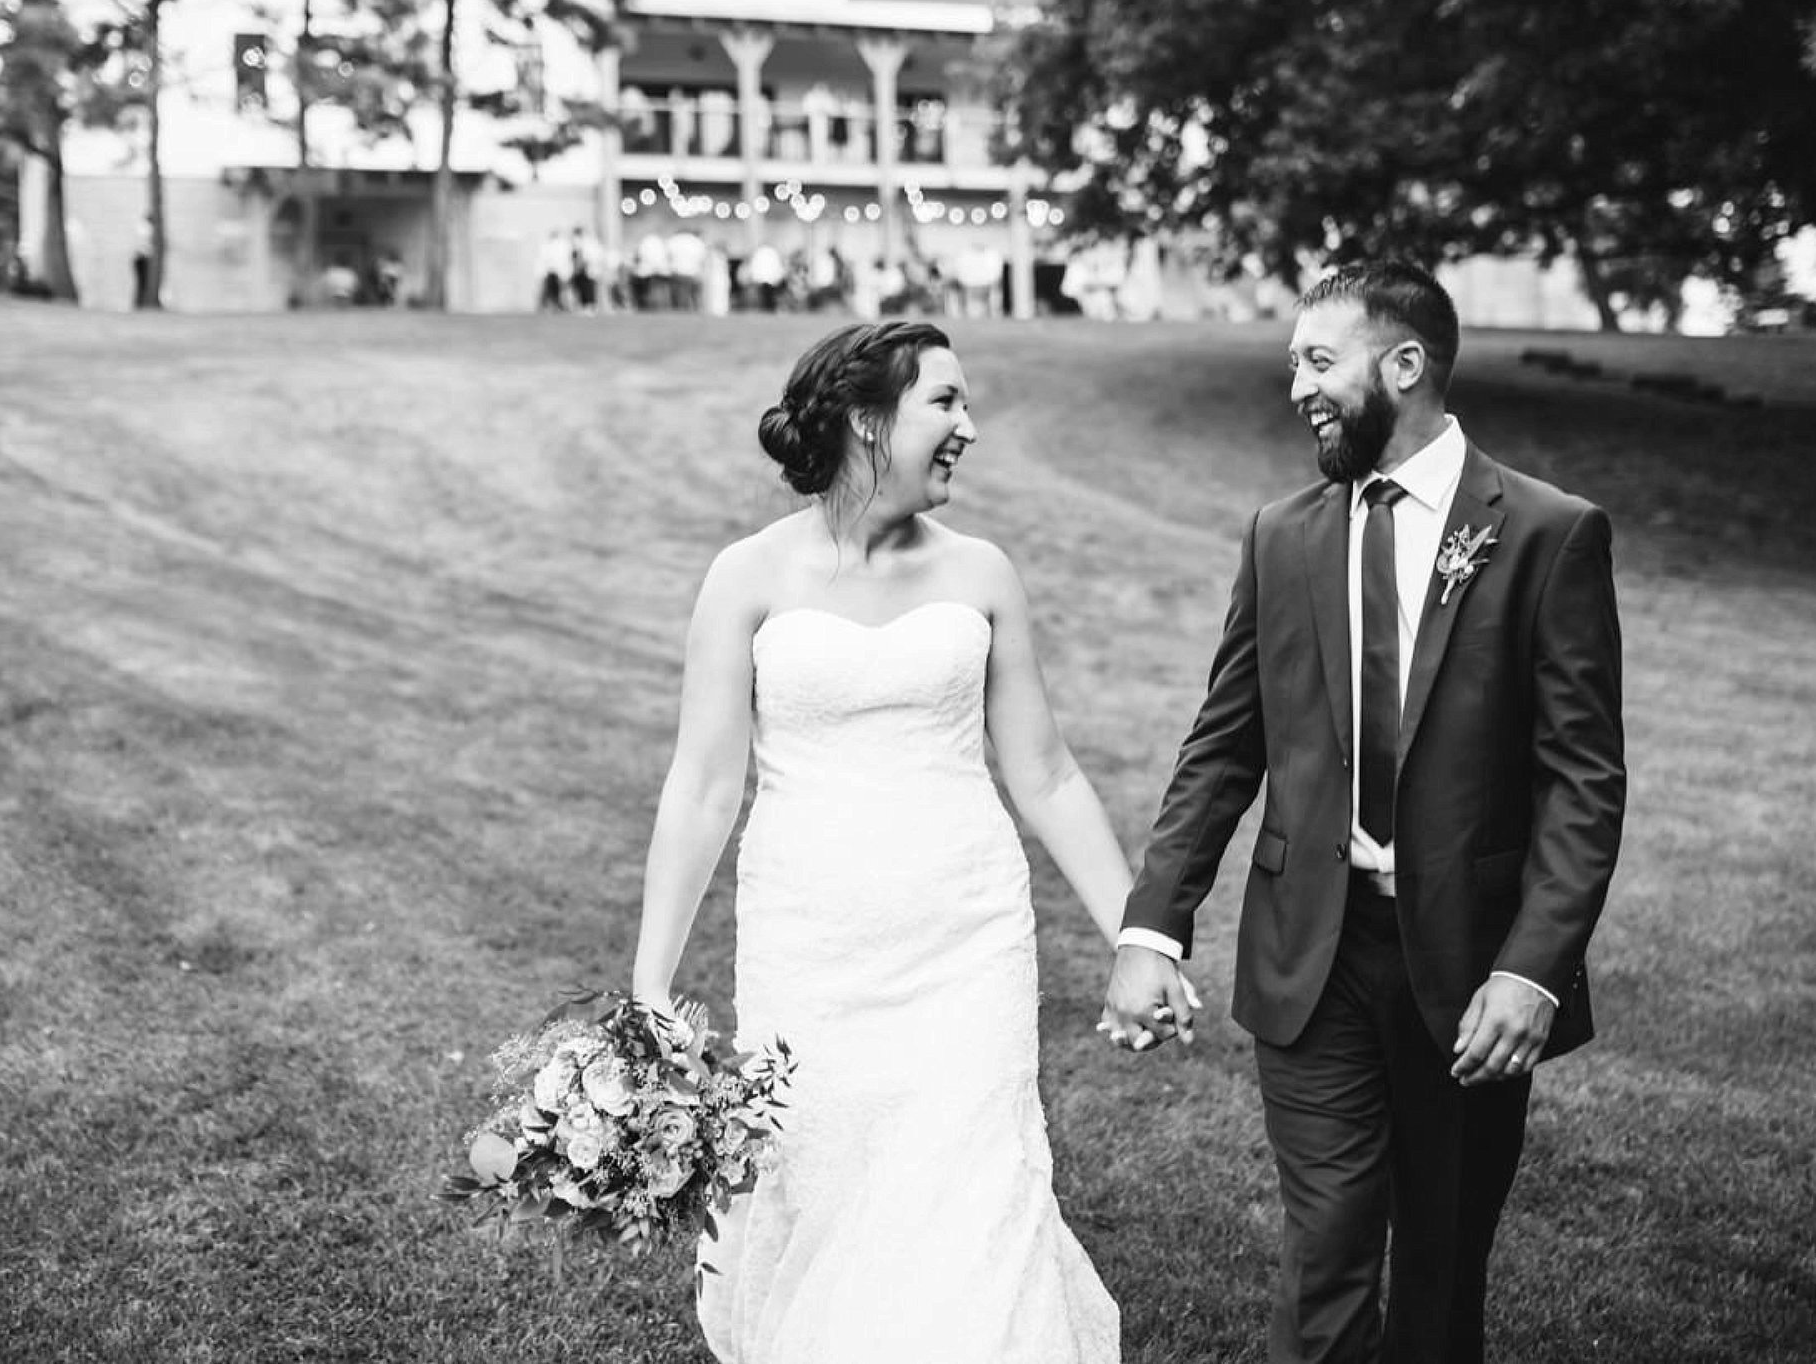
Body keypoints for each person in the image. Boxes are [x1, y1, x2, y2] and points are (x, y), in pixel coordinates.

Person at [1102, 260, 1626, 1364]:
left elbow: (1582, 778)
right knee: (1328, 1244)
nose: (1294, 382)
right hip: (1313, 954)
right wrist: (1153, 923)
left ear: (1405, 365)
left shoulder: (1545, 533)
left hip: (1471, 967)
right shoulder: (1282, 534)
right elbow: (1224, 743)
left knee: (1439, 1274)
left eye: (1316, 359)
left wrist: (1532, 968)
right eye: (1292, 359)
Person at [632, 320, 1135, 1364]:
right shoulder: (747, 576)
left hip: (967, 937)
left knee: (969, 1188)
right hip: (810, 941)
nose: (970, 427)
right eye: (945, 403)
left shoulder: (983, 572)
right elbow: (702, 786)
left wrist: (1138, 937)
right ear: (868, 419)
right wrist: (648, 987)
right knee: (828, 1186)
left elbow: (1044, 772)